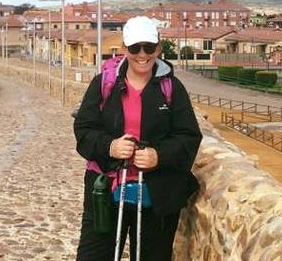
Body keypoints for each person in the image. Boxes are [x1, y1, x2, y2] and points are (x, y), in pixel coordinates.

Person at [73, 16, 203, 261]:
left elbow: (189, 136)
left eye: (149, 47)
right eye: (134, 48)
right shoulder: (104, 83)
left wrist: (158, 156)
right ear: (124, 49)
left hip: (157, 195)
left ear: (159, 48)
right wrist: (110, 146)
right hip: (106, 189)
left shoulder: (172, 88)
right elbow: (84, 129)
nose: (142, 54)